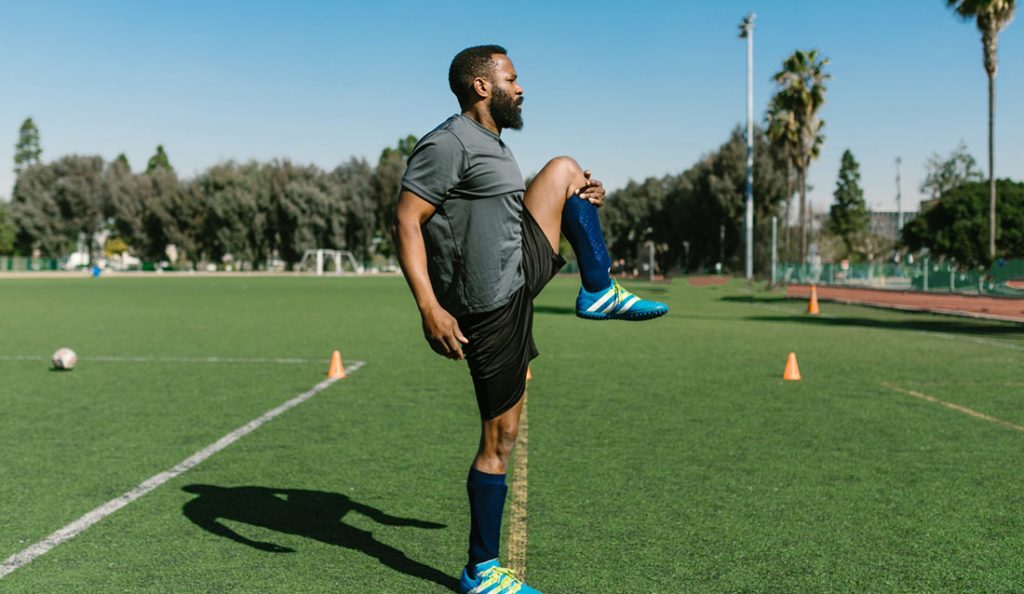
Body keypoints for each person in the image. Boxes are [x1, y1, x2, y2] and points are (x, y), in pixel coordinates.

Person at [393, 44, 668, 594]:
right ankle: (481, 571)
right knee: (501, 438)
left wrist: (580, 201)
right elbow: (406, 220)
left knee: (566, 170)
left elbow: (511, 210)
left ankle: (598, 290)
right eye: (512, 79)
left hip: (518, 267)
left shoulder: (494, 144)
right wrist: (429, 308)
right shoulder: (448, 143)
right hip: (488, 304)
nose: (520, 89)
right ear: (482, 86)